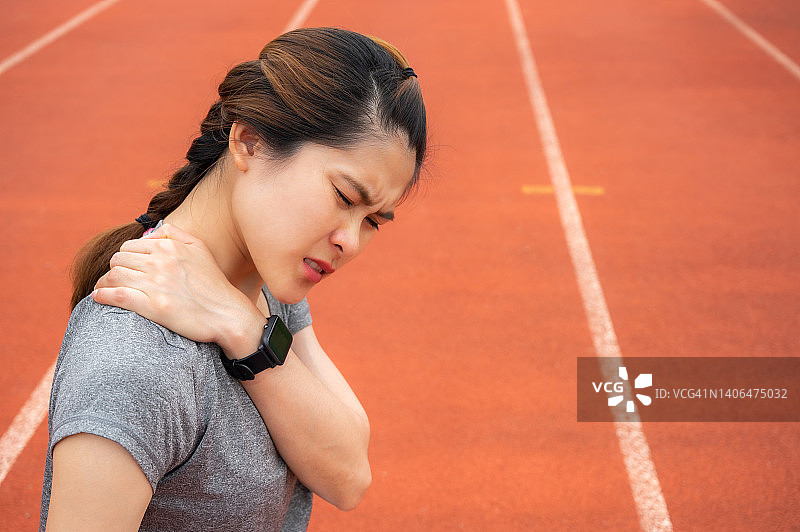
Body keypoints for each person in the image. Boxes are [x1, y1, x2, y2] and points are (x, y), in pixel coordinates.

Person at [40, 27, 426, 531]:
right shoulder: (135, 362)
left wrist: (245, 328)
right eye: (345, 197)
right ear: (250, 142)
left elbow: (348, 474)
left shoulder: (263, 280)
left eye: (373, 220)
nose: (350, 242)